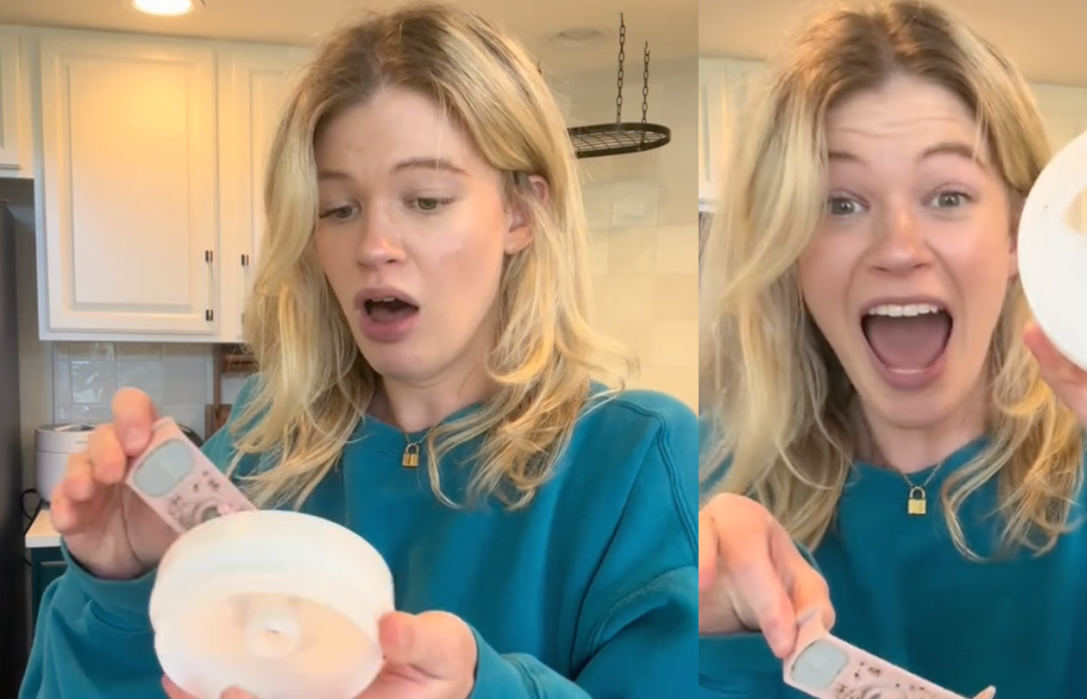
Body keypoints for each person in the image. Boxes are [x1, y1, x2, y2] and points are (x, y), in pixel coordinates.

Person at [20, 4, 698, 699]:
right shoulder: (261, 444)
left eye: (426, 199)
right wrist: (119, 593)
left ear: (521, 214)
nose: (374, 244)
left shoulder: (634, 461)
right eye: (338, 208)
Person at [696, 2, 1087, 699]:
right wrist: (721, 646)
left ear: (1019, 236)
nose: (898, 247)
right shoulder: (701, 499)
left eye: (948, 195)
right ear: (790, 250)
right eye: (839, 203)